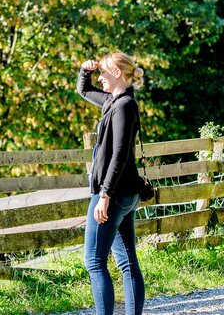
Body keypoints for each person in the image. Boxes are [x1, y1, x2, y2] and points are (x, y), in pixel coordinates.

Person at [77, 52, 146, 315]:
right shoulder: (113, 101)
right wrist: (86, 71)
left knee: (94, 262)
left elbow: (118, 154)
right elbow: (84, 90)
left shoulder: (124, 105)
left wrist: (104, 195)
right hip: (125, 194)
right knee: (127, 262)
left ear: (118, 73)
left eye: (104, 72)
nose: (100, 78)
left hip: (114, 194)